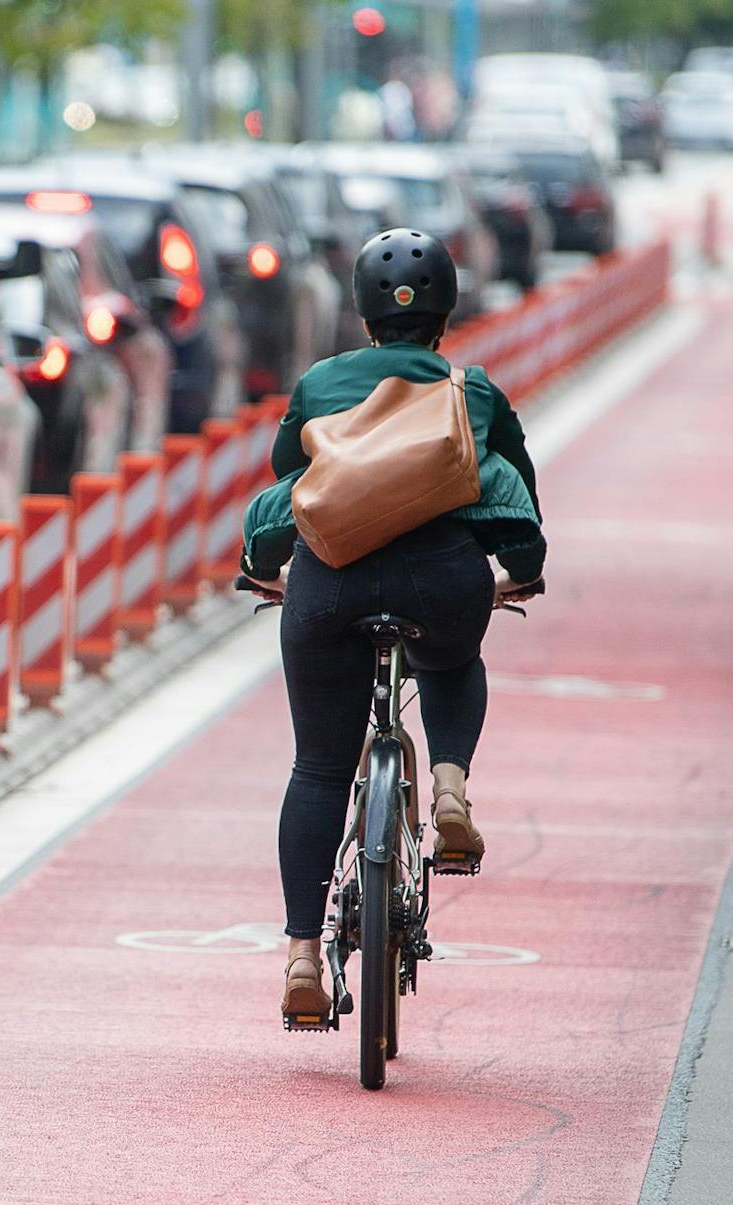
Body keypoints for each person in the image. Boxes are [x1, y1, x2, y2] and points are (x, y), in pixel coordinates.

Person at [239, 229, 545, 1024]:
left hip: (328, 586)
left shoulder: (317, 384)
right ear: (445, 311)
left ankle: (304, 957)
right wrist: (524, 568)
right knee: (450, 660)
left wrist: (262, 564)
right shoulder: (470, 390)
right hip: (442, 579)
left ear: (362, 314)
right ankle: (449, 789)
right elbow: (514, 492)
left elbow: (290, 488)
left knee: (316, 769)